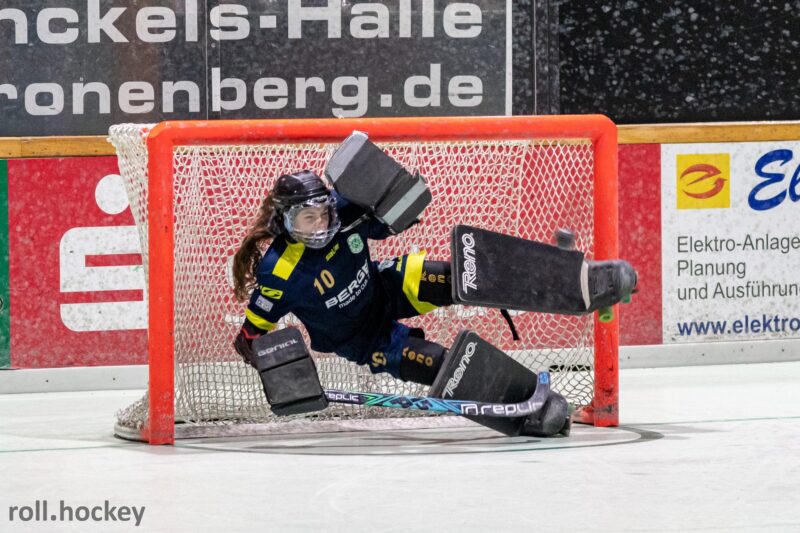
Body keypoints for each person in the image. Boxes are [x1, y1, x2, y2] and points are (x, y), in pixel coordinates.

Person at [232, 169, 452, 386]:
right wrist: (286, 378)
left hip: (384, 287)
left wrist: (403, 198)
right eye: (309, 217)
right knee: (442, 366)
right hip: (362, 338)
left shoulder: (344, 210)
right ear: (286, 219)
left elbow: (387, 221)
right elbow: (250, 337)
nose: (321, 223)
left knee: (455, 278)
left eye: (323, 213)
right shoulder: (279, 272)